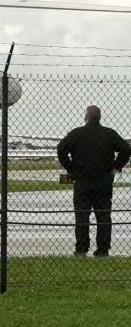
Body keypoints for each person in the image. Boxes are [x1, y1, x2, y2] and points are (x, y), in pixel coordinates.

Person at [56, 105, 130, 257]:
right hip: (103, 180)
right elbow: (126, 149)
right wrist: (115, 167)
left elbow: (61, 148)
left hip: (82, 180)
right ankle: (103, 249)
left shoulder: (77, 133)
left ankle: (81, 248)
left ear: (86, 117)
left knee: (82, 215)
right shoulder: (109, 134)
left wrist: (71, 168)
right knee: (103, 215)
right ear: (100, 117)